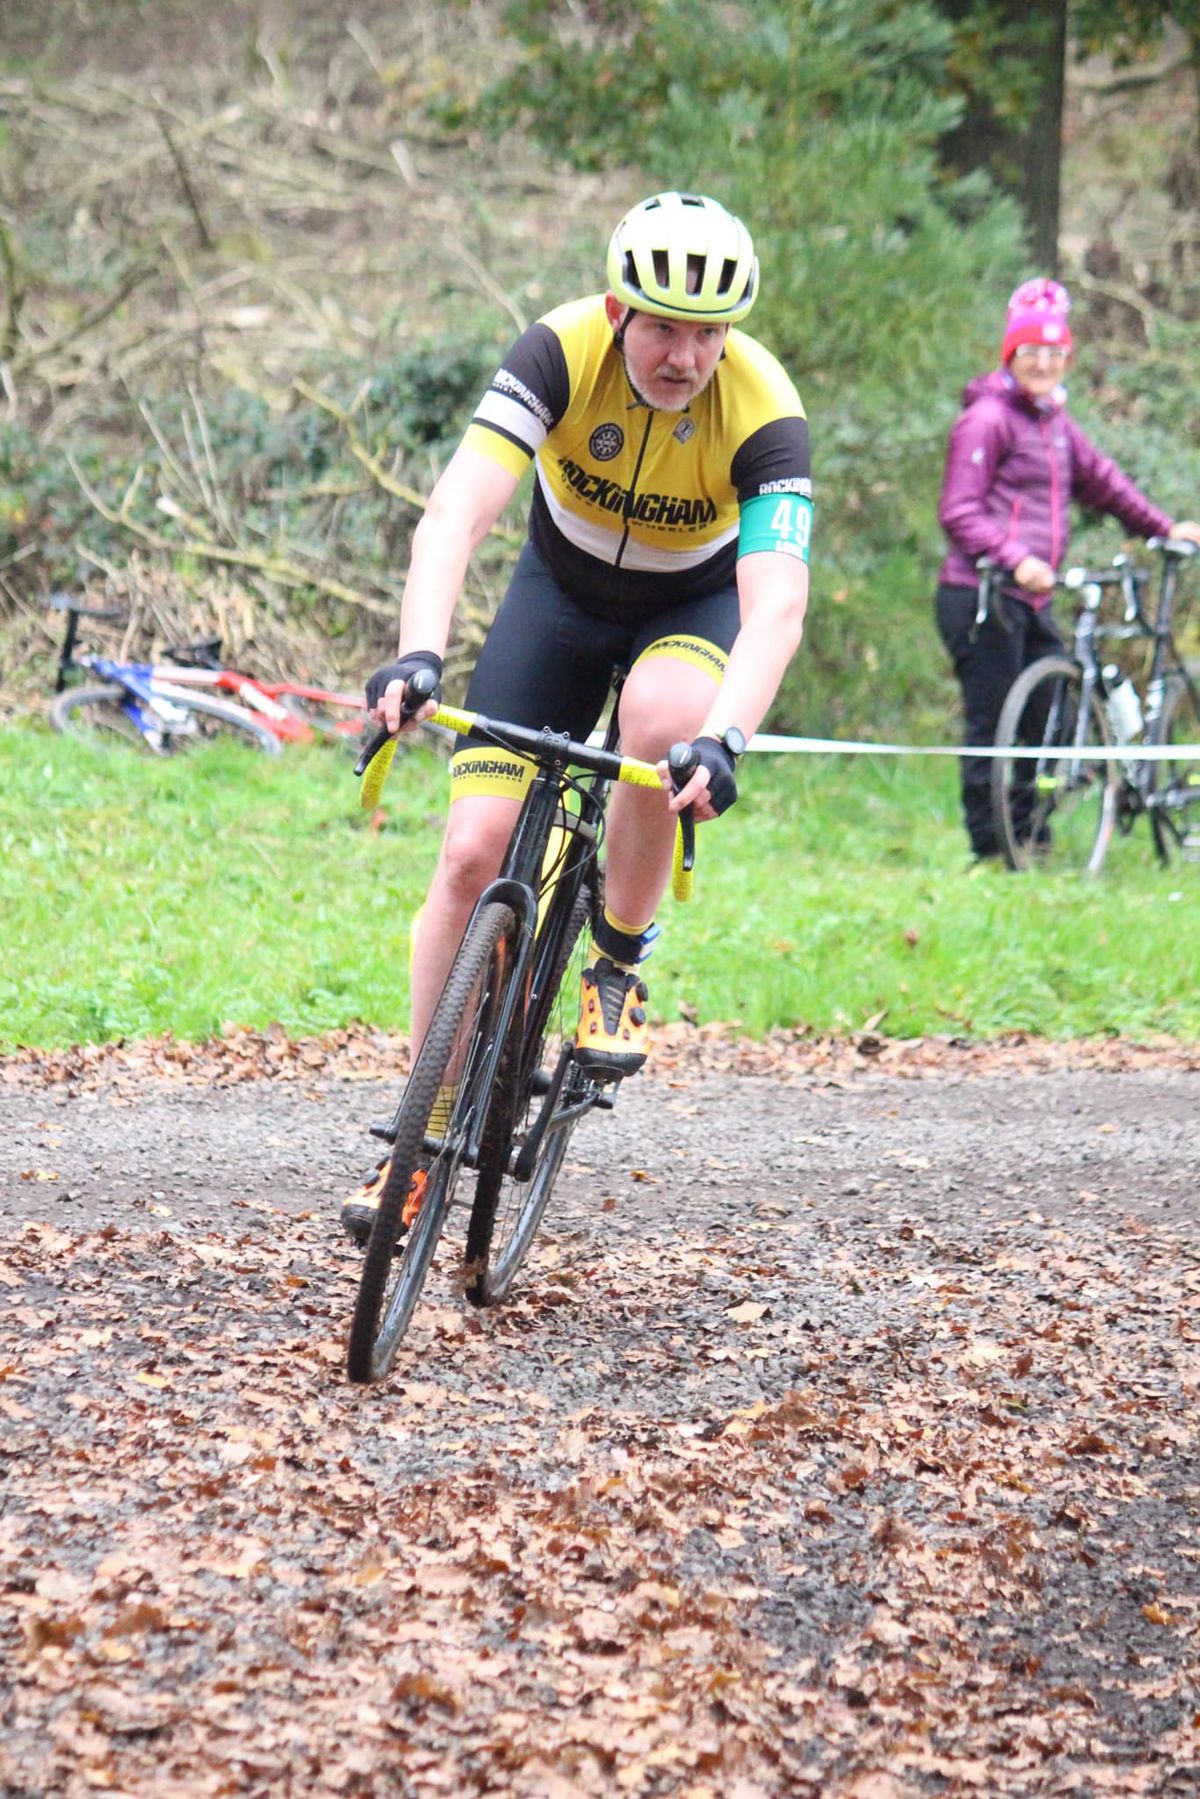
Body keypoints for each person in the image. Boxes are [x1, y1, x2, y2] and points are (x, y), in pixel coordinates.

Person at [342, 190, 813, 1241]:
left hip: (687, 613)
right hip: (554, 599)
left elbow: (775, 601)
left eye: (708, 333)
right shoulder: (558, 351)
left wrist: (725, 736)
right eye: (664, 326)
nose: (686, 354)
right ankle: (419, 1142)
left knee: (658, 717)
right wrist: (419, 650)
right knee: (471, 853)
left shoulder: (764, 408)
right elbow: (459, 511)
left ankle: (615, 960)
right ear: (617, 309)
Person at [934, 277, 1200, 862]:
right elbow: (958, 510)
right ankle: (991, 850)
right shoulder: (988, 419)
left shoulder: (1055, 426)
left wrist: (1162, 527)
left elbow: (1106, 484)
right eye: (1032, 352)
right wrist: (1016, 558)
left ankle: (1031, 836)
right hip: (980, 592)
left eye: (1055, 353)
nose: (1044, 363)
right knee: (993, 721)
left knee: (1048, 713)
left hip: (1029, 597)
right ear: (1012, 354)